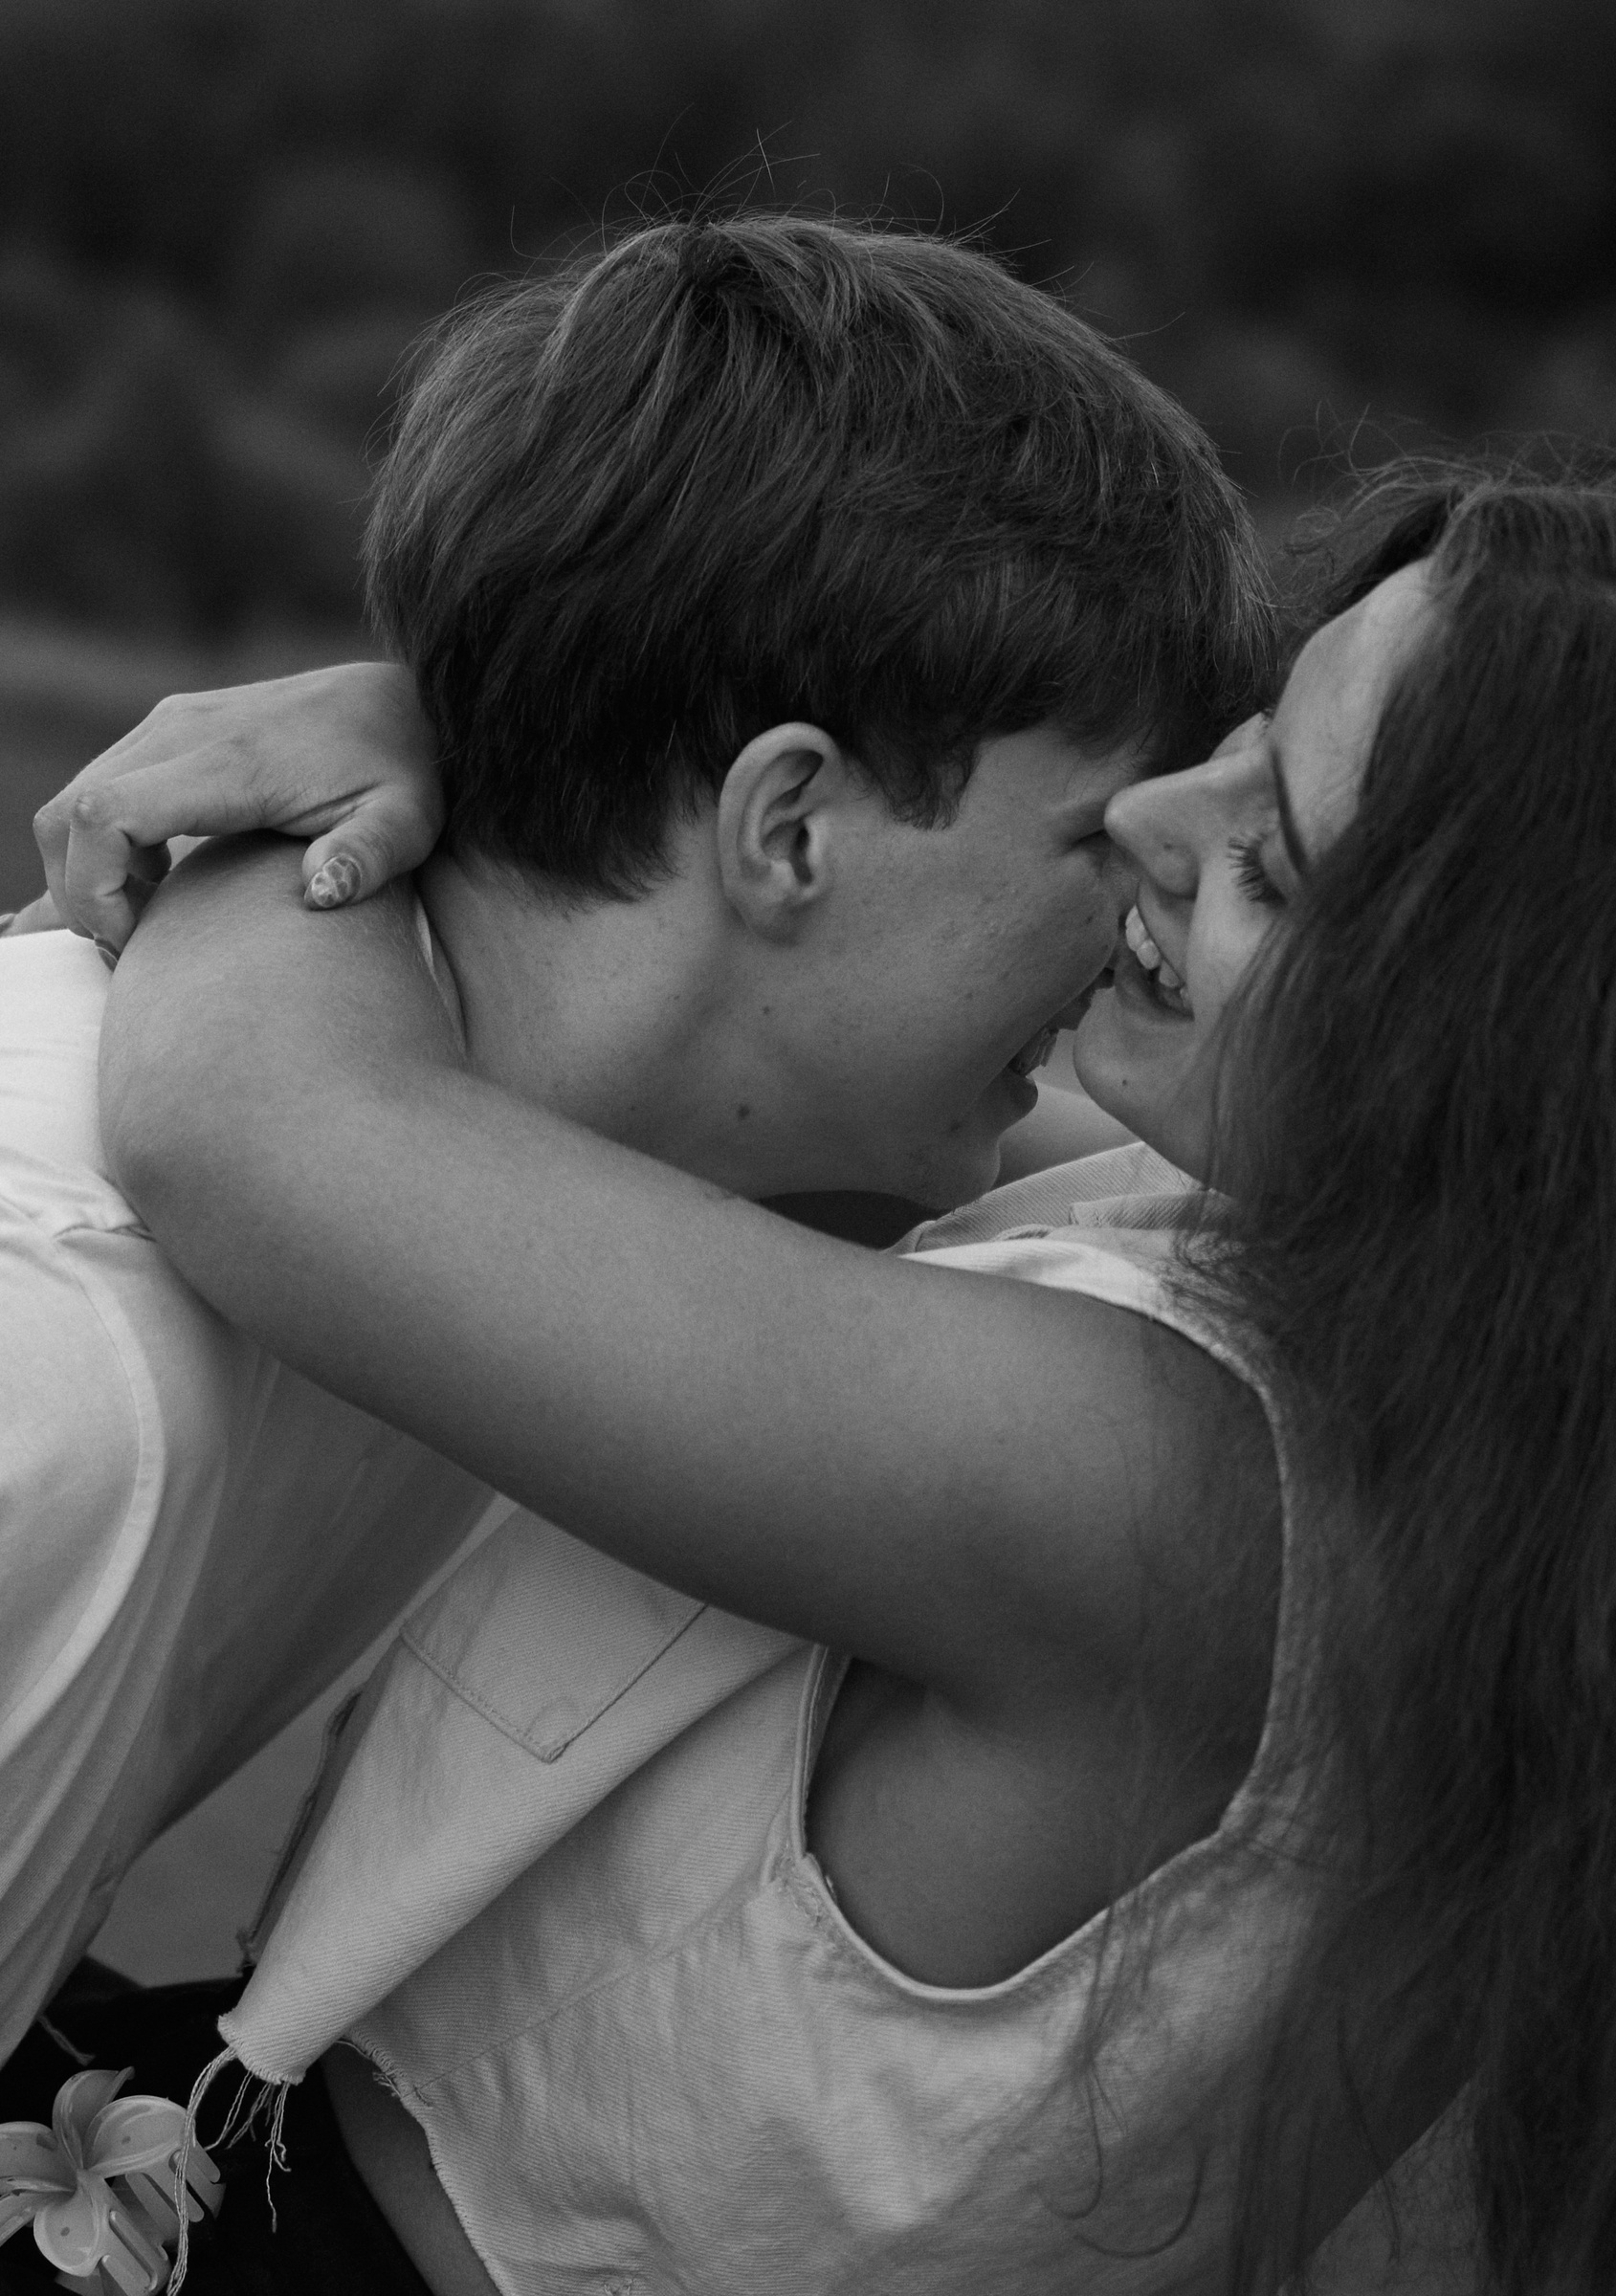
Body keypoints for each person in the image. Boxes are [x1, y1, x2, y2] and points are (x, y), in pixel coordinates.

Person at [55, 464, 1616, 2296]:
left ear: (1524, 1062)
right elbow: (838, 1078)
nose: (1146, 812)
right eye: (1243, 737)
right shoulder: (1534, 1422)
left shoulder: (1155, 1482)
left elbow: (252, 1131)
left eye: (1269, 858)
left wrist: (331, 801)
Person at [0, 210, 1267, 2081]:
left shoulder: (530, 1210)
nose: (1136, 915)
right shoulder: (57, 1373)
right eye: (1096, 838)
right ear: (789, 829)